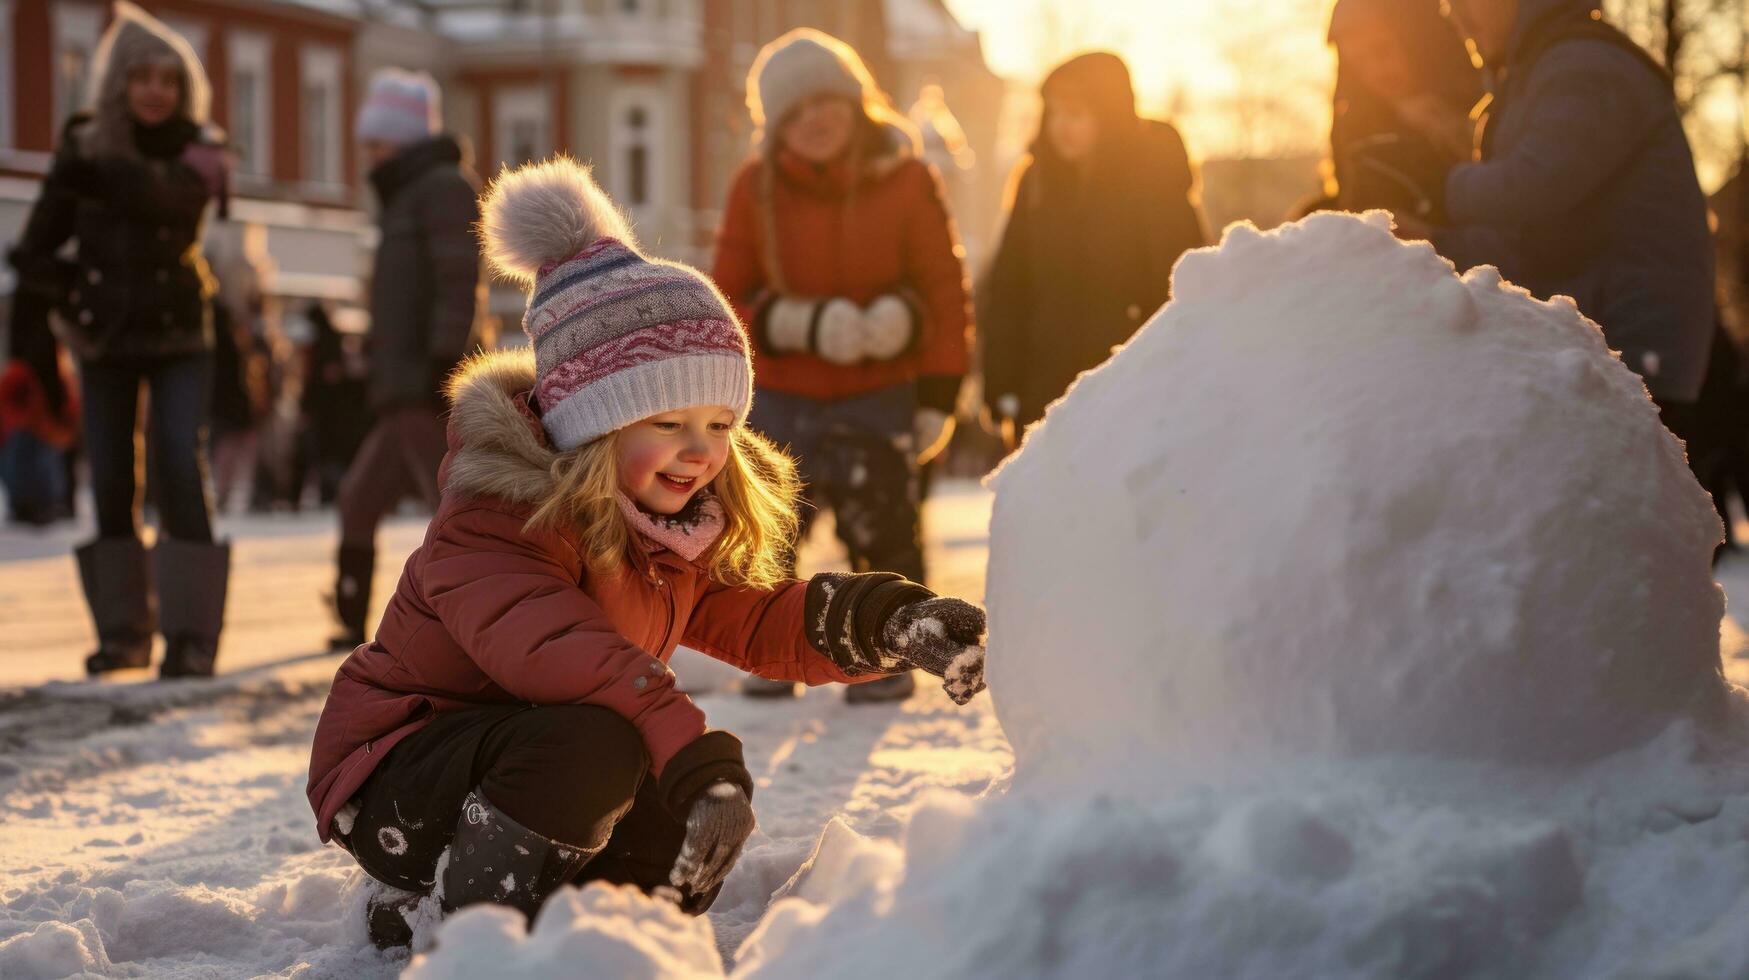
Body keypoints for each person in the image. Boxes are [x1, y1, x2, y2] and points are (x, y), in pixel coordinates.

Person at [305, 158, 990, 947]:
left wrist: (885, 622)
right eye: (666, 423)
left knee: (667, 824)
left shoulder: (667, 530)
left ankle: (595, 937)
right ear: (591, 424)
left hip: (525, 764)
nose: (699, 451)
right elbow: (571, 657)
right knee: (602, 744)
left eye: (719, 425)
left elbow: (760, 617)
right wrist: (694, 751)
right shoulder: (494, 519)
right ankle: (444, 919)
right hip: (396, 772)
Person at [711, 29, 974, 702]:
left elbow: (944, 286)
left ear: (858, 104)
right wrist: (789, 321)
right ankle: (771, 653)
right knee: (767, 537)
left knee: (883, 530)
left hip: (879, 392)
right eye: (797, 112)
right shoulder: (753, 189)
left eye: (827, 102)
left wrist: (937, 393)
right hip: (781, 395)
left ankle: (884, 658)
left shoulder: (909, 177)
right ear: (777, 127)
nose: (816, 121)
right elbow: (723, 296)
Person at [8, 3, 231, 677]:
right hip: (101, 333)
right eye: (142, 78)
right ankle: (123, 633)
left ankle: (190, 636)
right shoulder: (84, 146)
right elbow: (37, 244)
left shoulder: (199, 151)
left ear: (183, 86)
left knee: (175, 461)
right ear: (119, 84)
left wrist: (93, 168)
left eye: (168, 78)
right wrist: (60, 284)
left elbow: (167, 199)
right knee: (108, 473)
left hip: (180, 330)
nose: (156, 90)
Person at [1430, 0, 1714, 428]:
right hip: (1603, 341)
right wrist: (1438, 241)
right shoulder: (1545, 68)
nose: (1454, 14)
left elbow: (1535, 188)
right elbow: (1529, 242)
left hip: (1630, 344)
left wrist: (1433, 189)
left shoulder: (1585, 64)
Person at [328, 69, 481, 650]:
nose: (369, 155)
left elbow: (456, 277)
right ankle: (348, 615)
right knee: (360, 497)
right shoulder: (405, 196)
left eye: (377, 142)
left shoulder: (441, 187)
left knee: (449, 510)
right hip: (399, 385)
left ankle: (469, 618)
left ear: (405, 139)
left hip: (425, 383)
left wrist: (444, 359)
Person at [979, 52, 1208, 438]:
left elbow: (1183, 285)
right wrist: (1001, 383)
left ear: (1109, 116)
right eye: (1053, 114)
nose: (1061, 127)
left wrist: (1176, 379)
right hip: (1046, 393)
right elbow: (1008, 288)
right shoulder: (1037, 183)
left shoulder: (1154, 179)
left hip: (1132, 389)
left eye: (1076, 114)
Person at [1319, 0, 1482, 219]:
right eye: (1359, 62)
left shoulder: (1486, 99)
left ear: (1416, 40)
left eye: (1383, 51)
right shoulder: (1355, 130)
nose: (1376, 71)